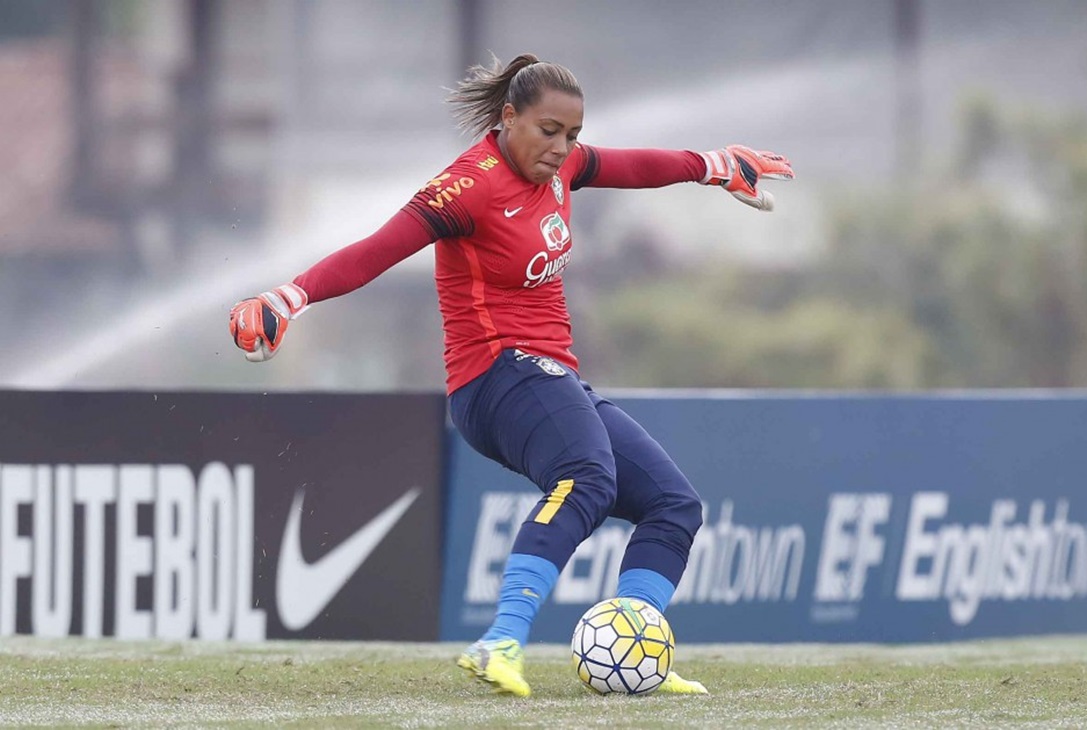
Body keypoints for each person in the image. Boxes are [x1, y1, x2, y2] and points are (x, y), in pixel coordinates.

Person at [229, 53, 793, 697]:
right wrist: (288, 298)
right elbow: (376, 250)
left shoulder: (564, 166)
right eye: (548, 131)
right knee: (586, 477)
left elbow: (630, 166)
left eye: (572, 135)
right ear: (507, 118)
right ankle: (500, 642)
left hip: (552, 375)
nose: (562, 148)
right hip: (493, 377)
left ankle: (637, 649)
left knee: (674, 505)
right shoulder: (467, 187)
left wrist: (712, 167)